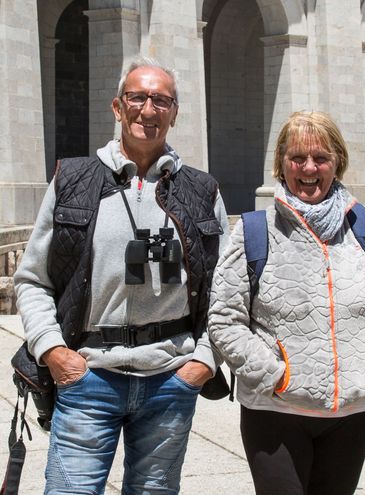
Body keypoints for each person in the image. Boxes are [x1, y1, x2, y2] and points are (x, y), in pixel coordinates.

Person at [13, 57, 230, 494]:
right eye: (137, 97)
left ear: (174, 113)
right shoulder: (74, 179)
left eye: (161, 100)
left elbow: (227, 291)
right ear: (117, 107)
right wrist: (54, 353)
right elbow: (32, 280)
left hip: (170, 376)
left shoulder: (201, 189)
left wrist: (204, 362)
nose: (148, 109)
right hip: (87, 374)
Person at [207, 111, 365, 495]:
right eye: (297, 158)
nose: (309, 168)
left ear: (337, 163)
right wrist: (274, 375)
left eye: (321, 158)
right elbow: (224, 319)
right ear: (281, 164)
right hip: (275, 412)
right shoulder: (253, 230)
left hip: (350, 412)